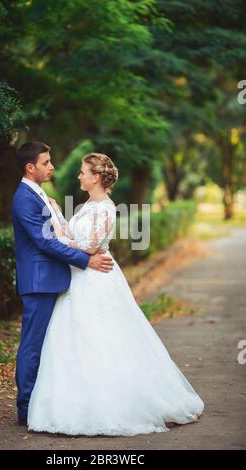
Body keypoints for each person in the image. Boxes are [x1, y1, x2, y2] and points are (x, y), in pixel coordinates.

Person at [27, 152, 204, 436]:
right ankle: (74, 403)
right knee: (72, 339)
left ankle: (110, 403)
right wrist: (58, 215)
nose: (79, 176)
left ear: (96, 177)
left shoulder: (106, 208)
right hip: (79, 277)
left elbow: (89, 245)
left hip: (97, 278)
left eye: (83, 172)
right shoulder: (87, 205)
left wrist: (59, 234)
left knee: (105, 337)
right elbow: (75, 239)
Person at [11, 142, 114, 426]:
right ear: (30, 167)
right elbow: (45, 242)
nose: (52, 166)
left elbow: (60, 234)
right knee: (33, 345)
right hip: (39, 282)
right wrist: (85, 260)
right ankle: (26, 406)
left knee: (50, 343)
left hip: (53, 279)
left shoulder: (39, 195)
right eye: (46, 162)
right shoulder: (24, 198)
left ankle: (45, 401)